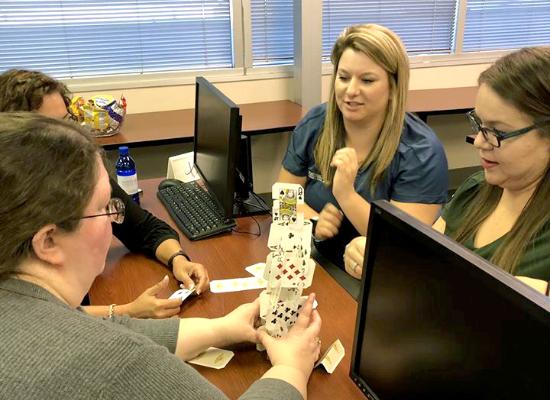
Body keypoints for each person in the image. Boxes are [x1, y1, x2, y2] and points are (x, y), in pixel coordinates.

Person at [0, 112, 322, 399]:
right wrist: (292, 369)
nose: (115, 220)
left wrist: (222, 328)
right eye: (103, 208)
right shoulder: (106, 358)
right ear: (49, 241)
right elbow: (115, 349)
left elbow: (112, 328)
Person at [0, 68, 209, 318]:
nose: (68, 137)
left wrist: (178, 259)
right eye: (51, 129)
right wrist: (125, 311)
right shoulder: (11, 204)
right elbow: (30, 313)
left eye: (67, 121)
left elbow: (143, 228)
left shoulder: (79, 171)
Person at [345, 47, 550, 287]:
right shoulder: (474, 191)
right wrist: (377, 256)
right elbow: (425, 259)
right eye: (478, 123)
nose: (480, 142)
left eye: (498, 132)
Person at [278, 24, 448, 273]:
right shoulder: (316, 124)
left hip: (380, 274)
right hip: (316, 258)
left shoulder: (421, 152)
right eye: (344, 77)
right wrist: (312, 221)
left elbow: (401, 244)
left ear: (393, 87)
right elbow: (283, 198)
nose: (351, 91)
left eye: (367, 80)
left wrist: (346, 195)